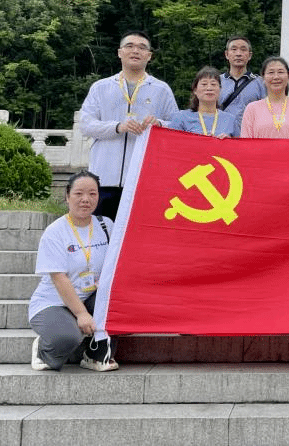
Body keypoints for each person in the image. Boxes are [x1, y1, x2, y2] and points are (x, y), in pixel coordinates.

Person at [79, 30, 178, 221]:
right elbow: (85, 124)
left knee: (137, 233)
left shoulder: (161, 89)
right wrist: (117, 127)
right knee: (101, 232)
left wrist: (159, 124)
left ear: (149, 56)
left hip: (143, 180)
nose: (135, 51)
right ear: (119, 52)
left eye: (142, 47)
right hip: (104, 178)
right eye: (130, 46)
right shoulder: (101, 87)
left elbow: (176, 126)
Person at [29, 171, 118, 372]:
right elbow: (59, 278)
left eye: (92, 194)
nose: (86, 199)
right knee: (68, 337)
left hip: (90, 296)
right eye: (79, 193)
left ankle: (95, 356)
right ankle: (43, 349)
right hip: (55, 302)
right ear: (67, 196)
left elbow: (117, 262)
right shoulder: (55, 232)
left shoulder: (106, 225)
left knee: (117, 305)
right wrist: (81, 313)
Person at [240, 56, 289, 139]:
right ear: (263, 77)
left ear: (288, 76)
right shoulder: (252, 109)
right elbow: (245, 143)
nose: (276, 77)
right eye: (271, 72)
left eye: (280, 72)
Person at [168, 66, 238, 138]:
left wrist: (229, 141)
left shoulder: (230, 120)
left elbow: (239, 144)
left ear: (220, 90)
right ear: (195, 90)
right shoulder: (181, 118)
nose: (209, 88)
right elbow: (171, 142)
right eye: (204, 84)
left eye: (213, 84)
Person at [219, 36, 266, 132]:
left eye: (243, 50)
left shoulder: (261, 83)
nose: (238, 54)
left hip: (249, 136)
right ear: (226, 54)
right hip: (220, 136)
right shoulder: (216, 82)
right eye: (234, 49)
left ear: (250, 55)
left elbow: (267, 113)